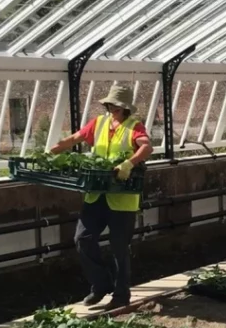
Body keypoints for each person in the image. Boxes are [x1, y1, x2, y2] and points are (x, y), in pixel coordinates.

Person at [50, 84, 152, 309]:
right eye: (109, 104)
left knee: (119, 248)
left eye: (115, 105)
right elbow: (75, 138)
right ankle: (101, 284)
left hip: (122, 199)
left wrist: (128, 163)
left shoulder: (134, 126)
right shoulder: (99, 123)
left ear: (125, 108)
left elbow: (146, 147)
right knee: (82, 239)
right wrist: (51, 152)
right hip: (96, 195)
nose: (111, 108)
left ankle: (121, 295)